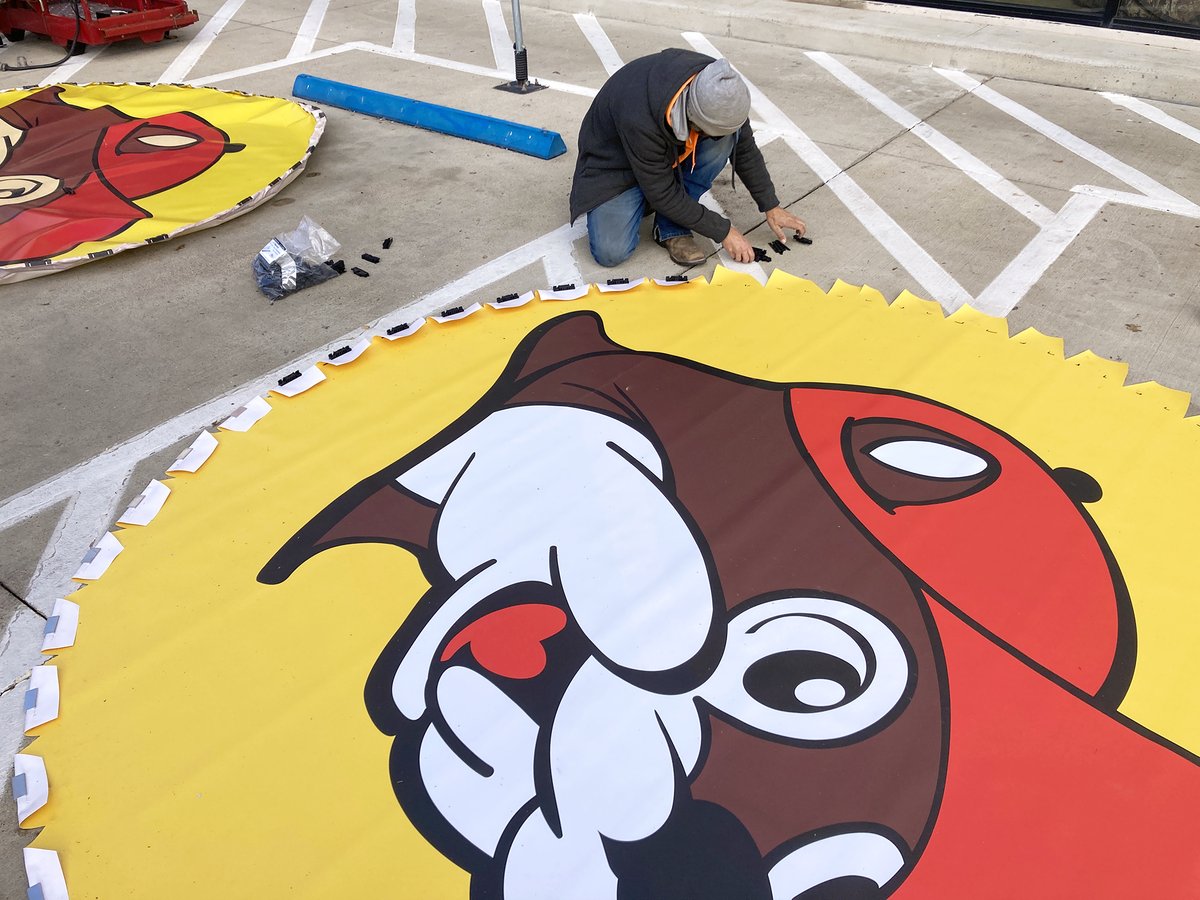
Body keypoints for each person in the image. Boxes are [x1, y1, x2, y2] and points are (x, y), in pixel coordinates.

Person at [569, 49, 807, 268]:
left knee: (724, 140)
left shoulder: (721, 91)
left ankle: (670, 227)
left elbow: (744, 149)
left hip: (660, 161)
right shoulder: (638, 114)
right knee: (611, 252)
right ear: (693, 116)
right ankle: (648, 201)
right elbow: (661, 192)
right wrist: (724, 231)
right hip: (616, 167)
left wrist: (771, 205)